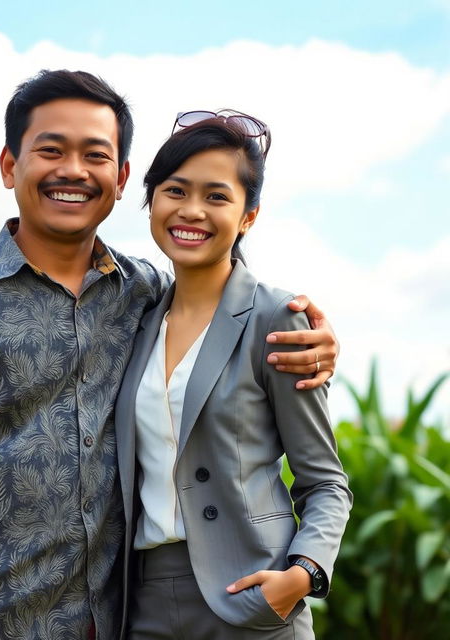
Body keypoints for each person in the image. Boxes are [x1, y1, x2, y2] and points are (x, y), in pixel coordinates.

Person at [0, 69, 339, 640]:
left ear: (121, 179)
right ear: (10, 165)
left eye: (95, 154)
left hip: (116, 620)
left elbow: (223, 314)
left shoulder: (143, 294)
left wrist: (319, 339)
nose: (73, 171)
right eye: (51, 150)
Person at [113, 112, 352, 640]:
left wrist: (301, 574)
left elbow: (325, 481)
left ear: (249, 216)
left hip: (253, 597)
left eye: (217, 196)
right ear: (151, 201)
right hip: (143, 604)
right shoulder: (132, 318)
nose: (192, 210)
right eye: (175, 190)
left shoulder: (277, 319)